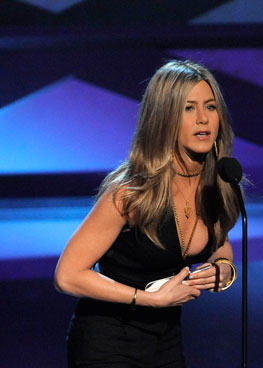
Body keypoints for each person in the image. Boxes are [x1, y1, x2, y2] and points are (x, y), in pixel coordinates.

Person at [54, 60, 241, 367]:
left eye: (210, 107)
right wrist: (149, 299)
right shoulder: (131, 192)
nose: (203, 119)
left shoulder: (218, 184)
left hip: (165, 340)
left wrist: (223, 270)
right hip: (108, 341)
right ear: (164, 118)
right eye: (188, 109)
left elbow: (220, 248)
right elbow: (68, 275)